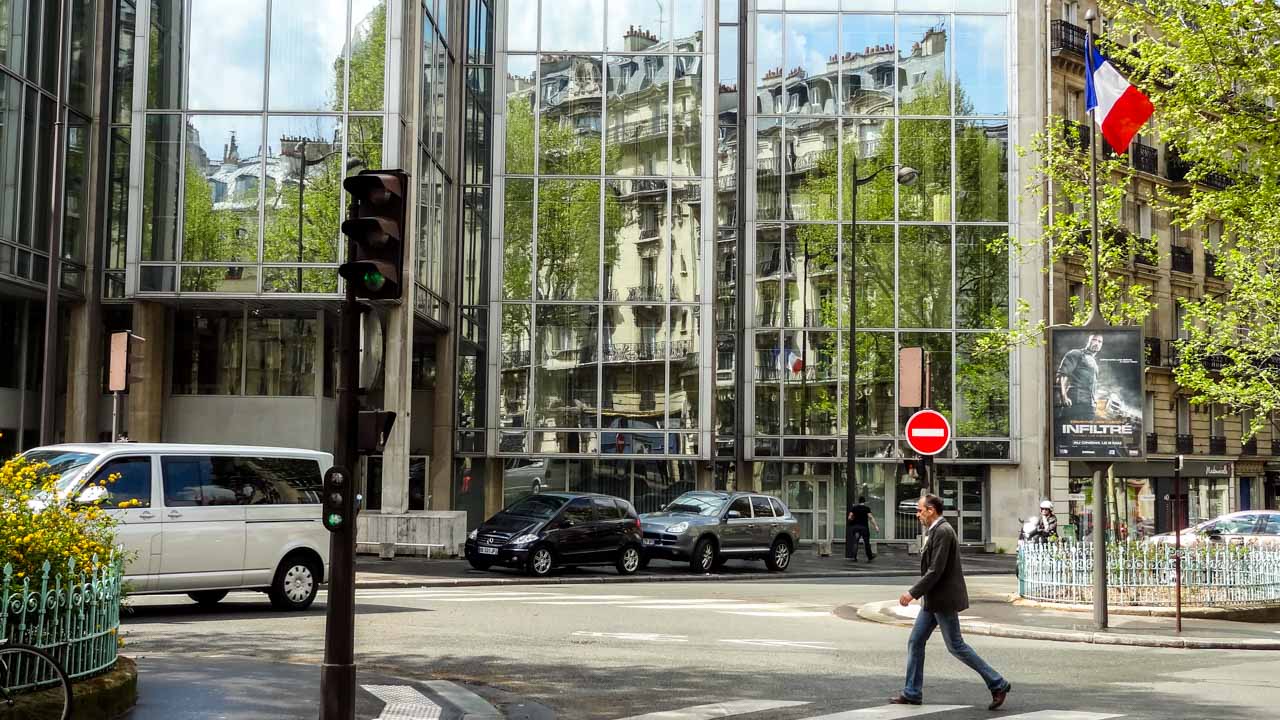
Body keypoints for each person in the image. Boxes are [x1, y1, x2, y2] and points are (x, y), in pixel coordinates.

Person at [891, 494, 1011, 710]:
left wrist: (912, 593)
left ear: (931, 510)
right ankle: (912, 692)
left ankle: (998, 683)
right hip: (933, 600)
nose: (917, 515)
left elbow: (935, 570)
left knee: (956, 646)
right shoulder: (935, 530)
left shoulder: (943, 532)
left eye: (919, 510)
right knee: (916, 642)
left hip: (943, 599)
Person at [1057, 333, 1104, 421]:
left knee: (1086, 429)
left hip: (1089, 407)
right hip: (1075, 402)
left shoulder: (1094, 362)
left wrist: (1094, 402)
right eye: (1094, 340)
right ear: (1088, 341)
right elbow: (1062, 376)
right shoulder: (1076, 353)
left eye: (1100, 341)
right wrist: (1064, 397)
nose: (1097, 343)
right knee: (1068, 428)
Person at [845, 495, 879, 562]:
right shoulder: (866, 508)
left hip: (856, 528)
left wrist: (853, 519)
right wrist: (876, 526)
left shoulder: (854, 508)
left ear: (859, 501)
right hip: (864, 528)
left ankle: (854, 557)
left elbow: (849, 517)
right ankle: (869, 557)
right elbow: (871, 517)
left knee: (855, 542)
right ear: (864, 502)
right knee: (866, 543)